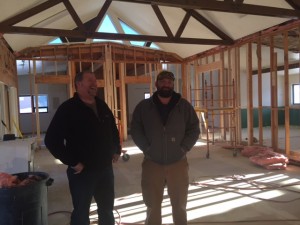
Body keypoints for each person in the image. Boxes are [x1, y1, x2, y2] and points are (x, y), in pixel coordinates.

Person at [44, 71, 121, 225]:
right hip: (82, 172)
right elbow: (51, 140)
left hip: (105, 169)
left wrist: (116, 149)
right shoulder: (68, 109)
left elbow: (112, 129)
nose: (95, 83)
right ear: (79, 84)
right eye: (90, 80)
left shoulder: (101, 105)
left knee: (106, 209)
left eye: (95, 80)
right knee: (81, 212)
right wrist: (72, 162)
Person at [130, 70, 200, 225]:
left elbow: (194, 128)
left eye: (169, 81)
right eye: (163, 81)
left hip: (178, 163)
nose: (166, 84)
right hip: (152, 163)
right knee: (152, 205)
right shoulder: (144, 106)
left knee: (180, 205)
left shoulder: (183, 106)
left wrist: (183, 148)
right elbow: (135, 128)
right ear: (157, 84)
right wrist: (147, 148)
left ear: (173, 84)